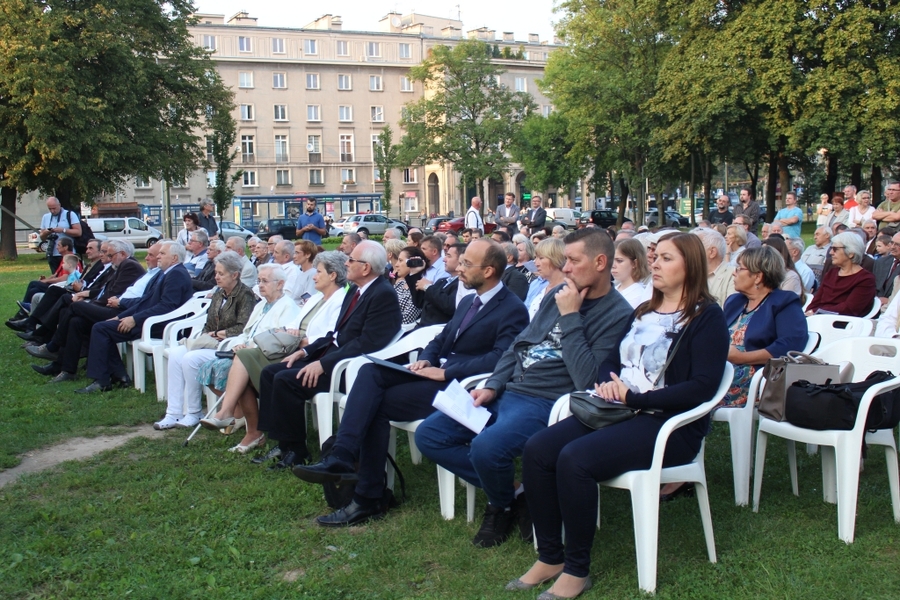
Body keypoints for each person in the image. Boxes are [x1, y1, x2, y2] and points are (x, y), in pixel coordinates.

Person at [512, 233, 728, 599]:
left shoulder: (706, 318)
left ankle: (577, 571)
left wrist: (637, 397)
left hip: (666, 424)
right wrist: (610, 384)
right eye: (655, 257)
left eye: (666, 259)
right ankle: (551, 556)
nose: (655, 264)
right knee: (538, 450)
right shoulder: (644, 311)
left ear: (690, 267)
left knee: (575, 459)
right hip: (617, 411)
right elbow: (611, 361)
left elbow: (703, 387)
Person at [415, 229, 633, 548]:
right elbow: (518, 345)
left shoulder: (617, 314)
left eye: (572, 260)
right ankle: (516, 493)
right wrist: (493, 384)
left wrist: (571, 316)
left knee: (487, 448)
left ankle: (499, 507)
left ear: (601, 262)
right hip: (509, 389)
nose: (566, 268)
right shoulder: (557, 296)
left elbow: (588, 378)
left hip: (546, 400)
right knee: (429, 435)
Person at [292, 239, 531, 526]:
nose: (458, 268)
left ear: (490, 270)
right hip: (436, 375)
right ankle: (344, 459)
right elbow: (440, 338)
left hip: (462, 387)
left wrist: (446, 372)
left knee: (374, 405)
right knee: (370, 372)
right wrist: (428, 359)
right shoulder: (468, 300)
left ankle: (366, 496)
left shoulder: (513, 309)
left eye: (467, 264)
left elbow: (499, 359)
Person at [253, 241, 402, 468]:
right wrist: (304, 351)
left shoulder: (383, 294)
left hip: (351, 368)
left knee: (285, 380)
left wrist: (323, 363)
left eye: (352, 259)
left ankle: (296, 451)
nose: (346, 262)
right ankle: (282, 443)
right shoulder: (356, 290)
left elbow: (368, 343)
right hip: (335, 356)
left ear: (366, 268)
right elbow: (337, 334)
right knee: (271, 372)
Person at [200, 252, 348, 452]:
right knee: (242, 363)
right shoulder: (315, 299)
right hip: (290, 346)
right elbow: (292, 325)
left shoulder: (340, 301)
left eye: (318, 272)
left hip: (309, 353)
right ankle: (239, 421)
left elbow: (333, 335)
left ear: (332, 275)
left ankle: (233, 416)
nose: (313, 276)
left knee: (243, 362)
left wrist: (304, 340)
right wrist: (287, 332)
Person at [154, 252, 258, 429]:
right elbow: (208, 323)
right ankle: (173, 412)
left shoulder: (245, 295)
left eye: (221, 274)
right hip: (211, 342)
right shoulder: (219, 294)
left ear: (235, 275)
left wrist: (221, 333)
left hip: (228, 345)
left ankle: (194, 412)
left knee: (190, 359)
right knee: (176, 354)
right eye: (216, 273)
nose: (216, 277)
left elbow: (244, 326)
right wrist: (207, 334)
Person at [74, 242, 193, 394]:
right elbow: (145, 301)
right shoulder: (167, 273)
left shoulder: (176, 274)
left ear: (174, 258)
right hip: (149, 320)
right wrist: (119, 316)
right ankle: (119, 376)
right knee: (103, 327)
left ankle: (103, 381)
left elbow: (167, 306)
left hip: (159, 325)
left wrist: (134, 319)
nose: (158, 256)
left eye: (162, 254)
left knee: (100, 329)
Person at [720, 246, 809, 408]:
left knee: (695, 388)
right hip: (721, 365)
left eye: (740, 268)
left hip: (754, 375)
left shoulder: (784, 303)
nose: (734, 272)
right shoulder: (735, 301)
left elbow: (790, 345)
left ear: (758, 277)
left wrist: (740, 358)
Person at [805, 232, 876, 316]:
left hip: (841, 324)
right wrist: (810, 311)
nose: (831, 252)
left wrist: (817, 312)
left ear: (851, 253)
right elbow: (816, 300)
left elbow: (849, 308)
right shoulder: (832, 273)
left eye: (835, 249)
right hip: (819, 319)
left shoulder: (865, 279)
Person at [418, 243, 469, 326]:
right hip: (422, 328)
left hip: (435, 331)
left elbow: (449, 305)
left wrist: (428, 287)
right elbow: (419, 303)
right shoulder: (442, 281)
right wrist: (415, 273)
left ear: (461, 259)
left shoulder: (463, 283)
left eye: (449, 256)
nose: (444, 259)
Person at [524, 238, 567, 319]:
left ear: (556, 258)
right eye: (535, 258)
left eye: (541, 258)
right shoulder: (542, 287)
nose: (536, 263)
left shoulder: (566, 291)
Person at [694, 228, 735, 308]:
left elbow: (730, 313)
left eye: (694, 248)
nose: (688, 252)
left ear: (712, 252)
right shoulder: (688, 274)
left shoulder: (733, 275)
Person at [39, 196, 82, 273]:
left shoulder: (70, 214)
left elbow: (78, 232)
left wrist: (63, 230)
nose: (52, 211)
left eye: (54, 208)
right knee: (55, 275)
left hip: (67, 253)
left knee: (68, 276)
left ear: (59, 205)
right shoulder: (46, 217)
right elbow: (42, 237)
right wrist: (46, 232)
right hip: (52, 253)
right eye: (50, 209)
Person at [762, 236, 805, 302]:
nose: (760, 257)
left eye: (765, 254)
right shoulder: (761, 274)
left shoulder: (791, 277)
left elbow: (782, 304)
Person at [392, 246, 427, 325]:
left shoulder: (419, 288)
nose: (397, 264)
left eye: (400, 260)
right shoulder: (400, 284)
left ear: (411, 262)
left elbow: (407, 319)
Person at [611, 238, 648, 309]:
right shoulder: (615, 288)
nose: (613, 265)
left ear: (634, 263)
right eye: (611, 260)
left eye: (619, 261)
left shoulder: (638, 296)